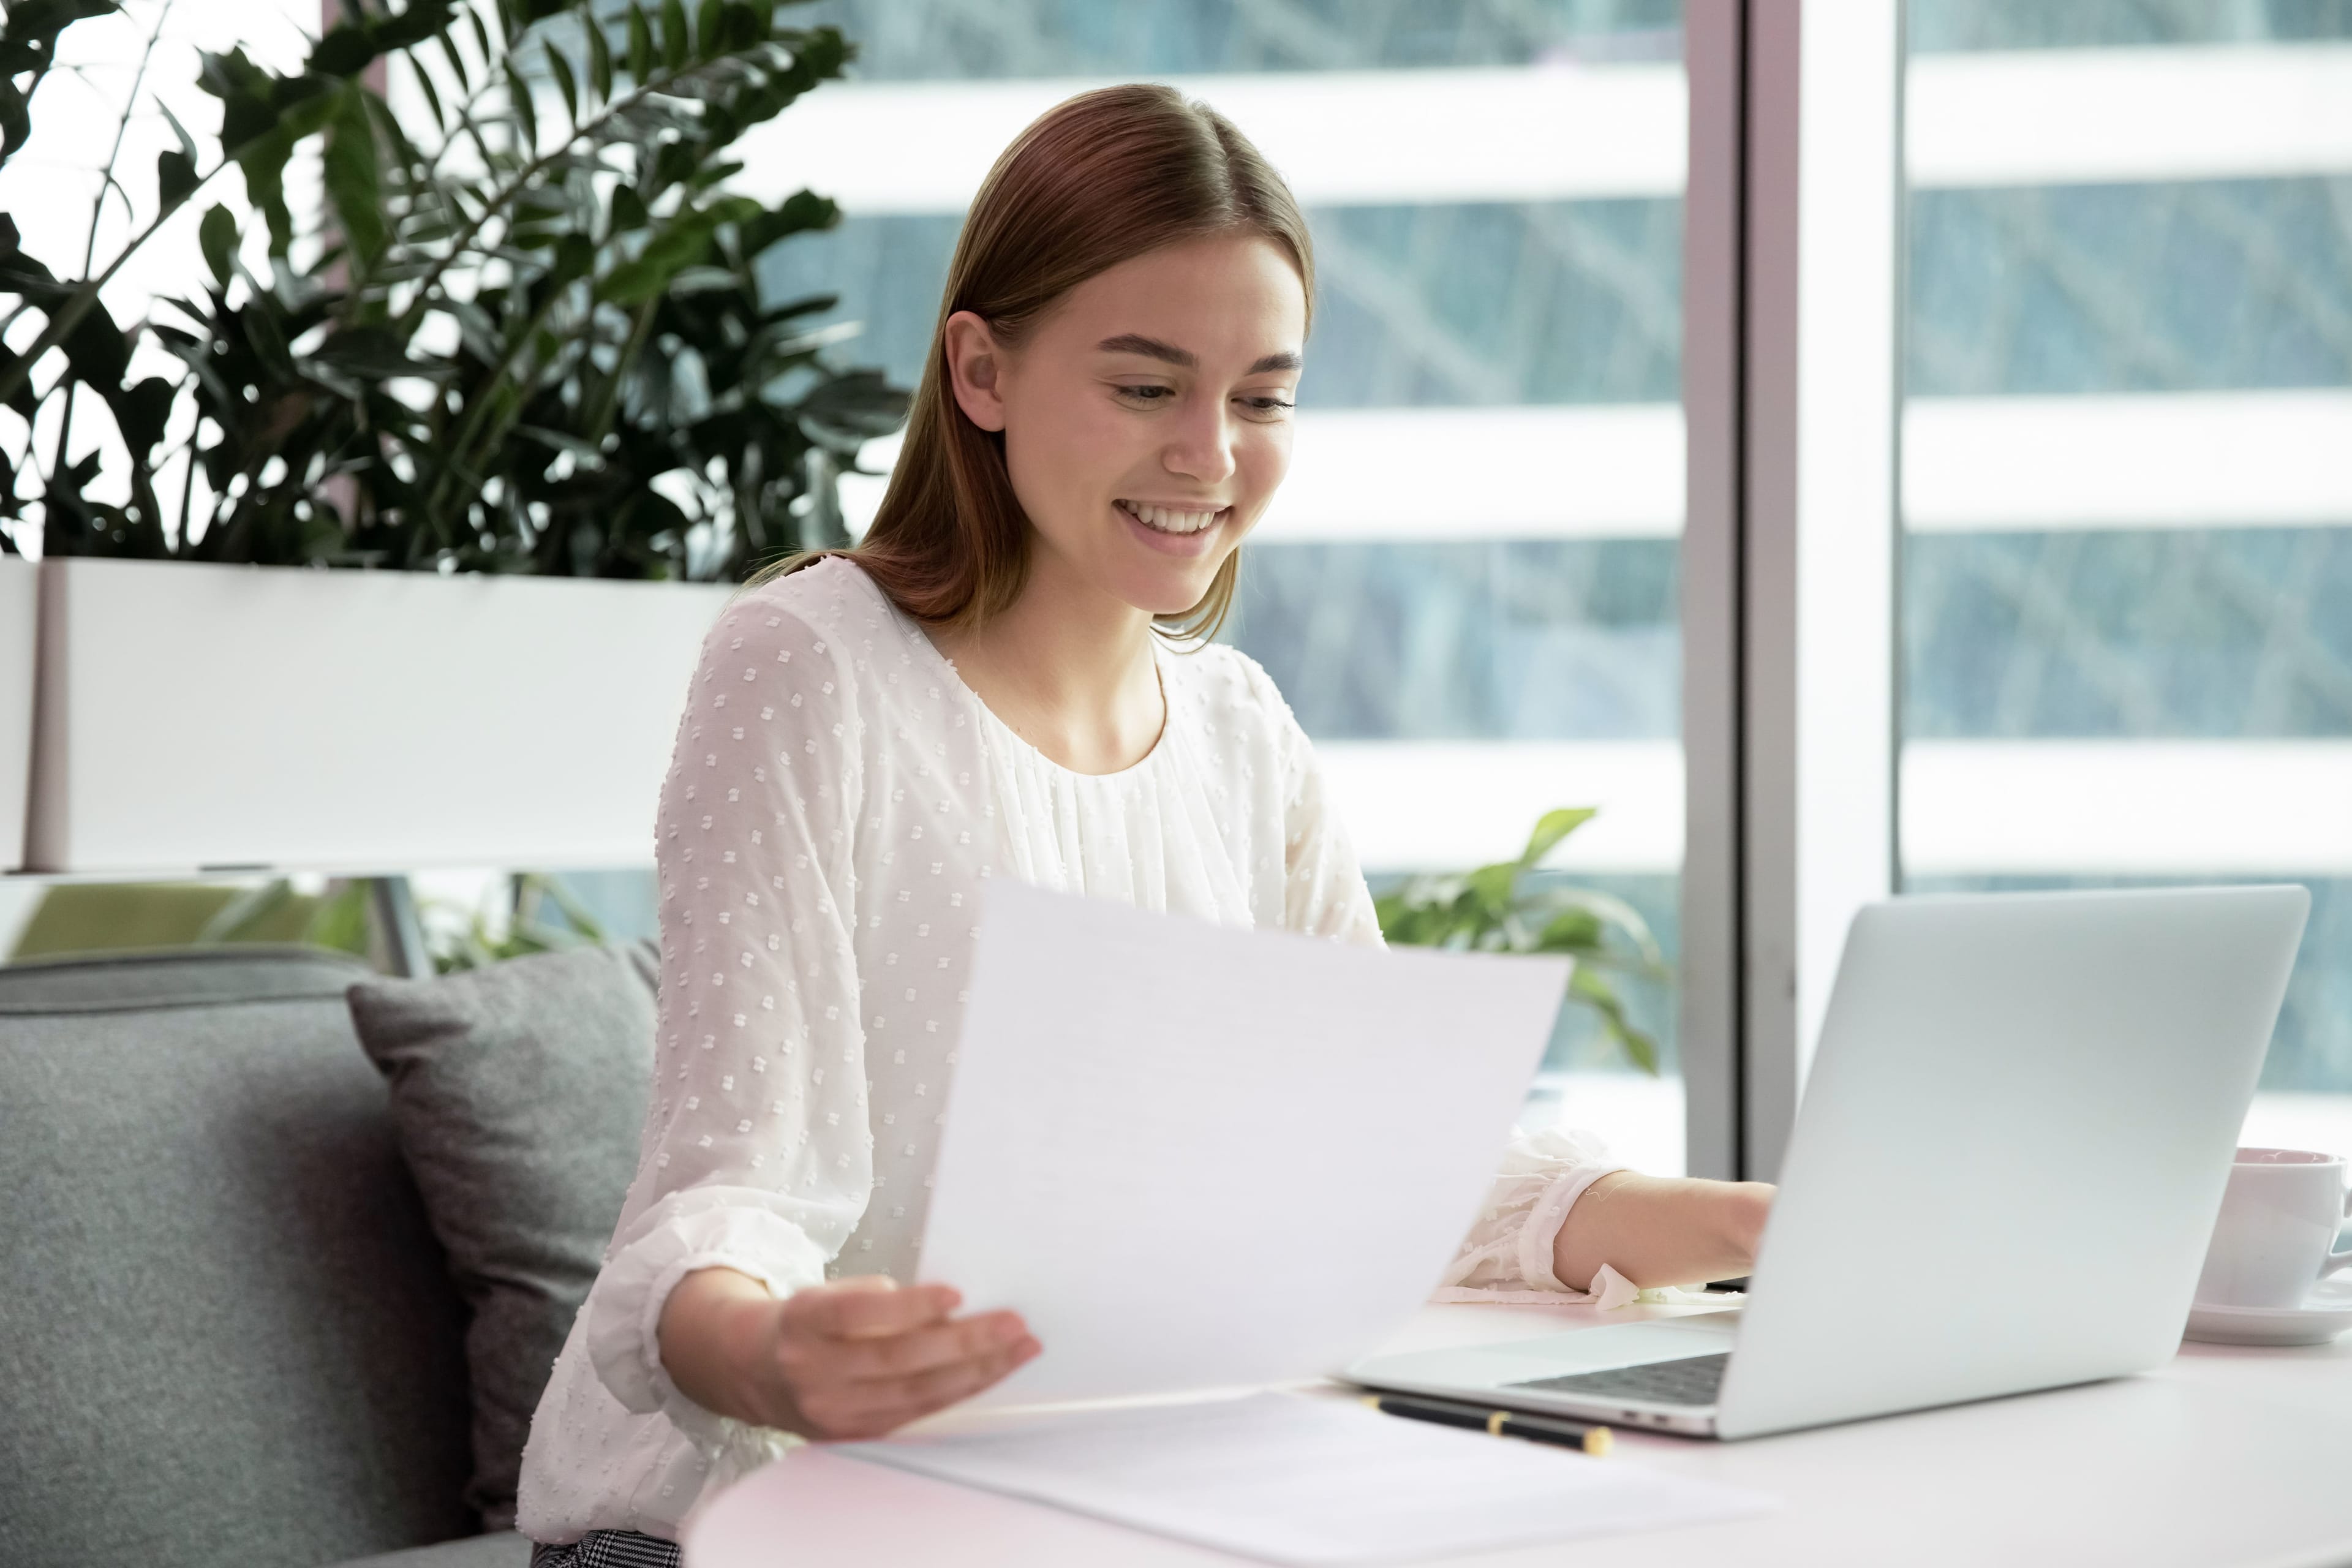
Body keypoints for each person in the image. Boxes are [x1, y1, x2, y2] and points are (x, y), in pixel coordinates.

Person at [516, 82, 1773, 1563]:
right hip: (734, 1518)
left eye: (1261, 397)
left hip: (1098, 1505)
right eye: (1144, 385)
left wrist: (1752, 1228)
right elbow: (726, 1196)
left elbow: (1390, 1172)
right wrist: (775, 1354)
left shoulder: (1240, 732)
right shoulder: (809, 663)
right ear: (981, 371)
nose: (1212, 454)